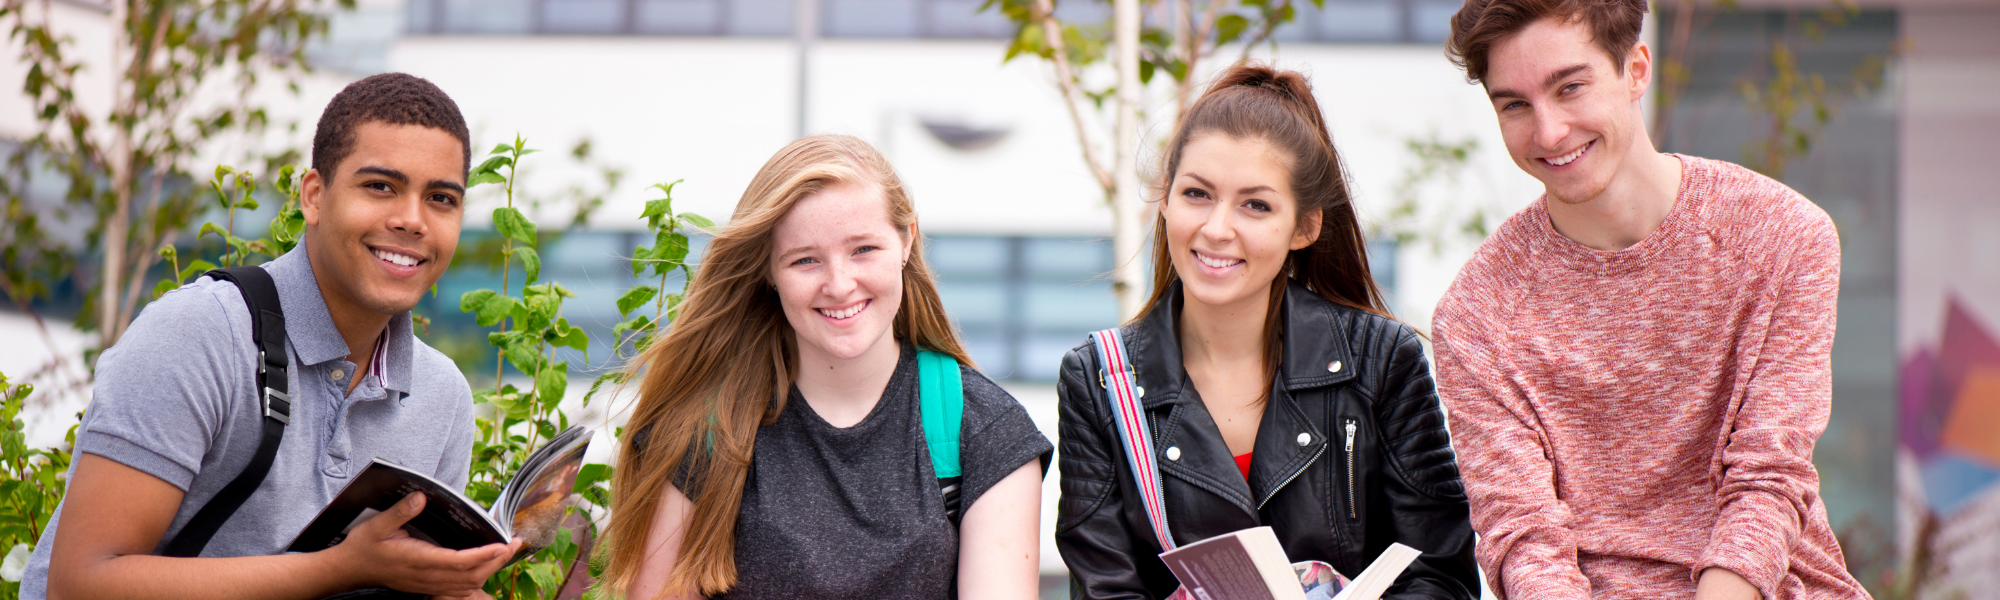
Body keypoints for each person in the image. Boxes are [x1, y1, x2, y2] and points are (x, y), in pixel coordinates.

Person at [22, 73, 520, 600]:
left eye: (441, 198)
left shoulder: (442, 396)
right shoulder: (201, 334)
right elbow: (80, 584)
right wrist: (340, 568)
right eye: (380, 187)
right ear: (314, 196)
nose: (412, 220)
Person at [1433, 1, 1871, 598]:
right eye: (1515, 104)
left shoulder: (1782, 237)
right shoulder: (1475, 315)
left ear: (1636, 70)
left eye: (1571, 87)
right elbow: (1524, 539)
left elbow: (1768, 480)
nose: (1548, 131)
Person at [1054, 64, 1479, 600]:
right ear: (1164, 199)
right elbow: (1104, 587)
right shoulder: (1098, 380)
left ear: (1304, 226)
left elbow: (1440, 577)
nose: (1216, 229)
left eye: (1255, 205)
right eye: (1196, 194)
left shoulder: (1381, 359)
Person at [597, 134, 1052, 600]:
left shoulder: (983, 430)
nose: (838, 284)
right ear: (769, 271)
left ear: (906, 239)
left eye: (863, 250)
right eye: (805, 260)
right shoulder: (704, 430)